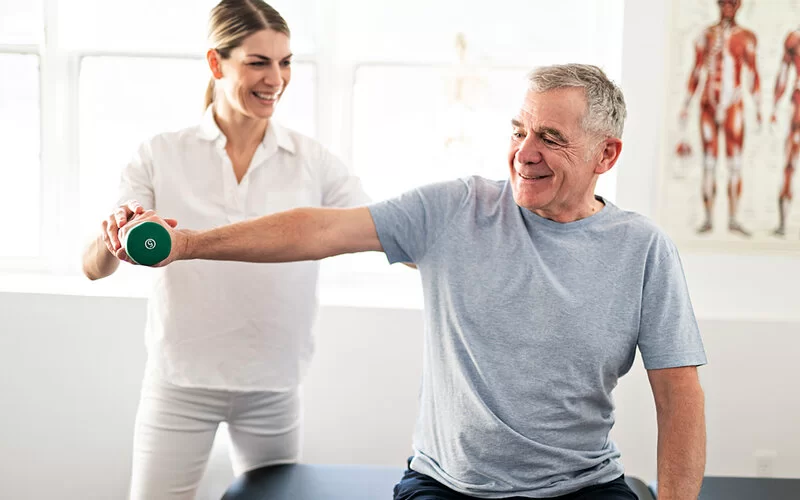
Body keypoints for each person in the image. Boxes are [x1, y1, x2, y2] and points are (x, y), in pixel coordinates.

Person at [121, 64, 708, 500]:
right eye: (518, 130)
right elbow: (317, 231)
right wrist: (192, 244)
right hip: (447, 487)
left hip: (581, 486)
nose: (523, 153)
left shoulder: (641, 249)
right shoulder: (457, 210)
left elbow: (678, 397)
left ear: (606, 154)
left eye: (550, 138)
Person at [81, 1, 369, 498]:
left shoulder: (311, 161)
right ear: (217, 64)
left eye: (285, 62)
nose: (275, 78)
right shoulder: (162, 153)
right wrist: (113, 238)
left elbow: (374, 228)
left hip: (272, 384)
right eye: (258, 62)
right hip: (180, 382)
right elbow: (93, 267)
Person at [675, 0, 762, 236]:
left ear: (738, 6)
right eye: (724, 3)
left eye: (732, 3)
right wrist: (685, 104)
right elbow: (696, 70)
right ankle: (708, 218)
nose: (728, 8)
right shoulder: (707, 35)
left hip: (733, 104)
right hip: (708, 105)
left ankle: (733, 218)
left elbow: (753, 73)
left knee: (735, 163)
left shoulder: (746, 37)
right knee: (709, 163)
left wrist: (759, 107)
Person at [770, 28, 800, 237]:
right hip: (798, 106)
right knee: (790, 161)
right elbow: (782, 74)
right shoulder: (794, 38)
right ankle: (783, 222)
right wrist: (774, 106)